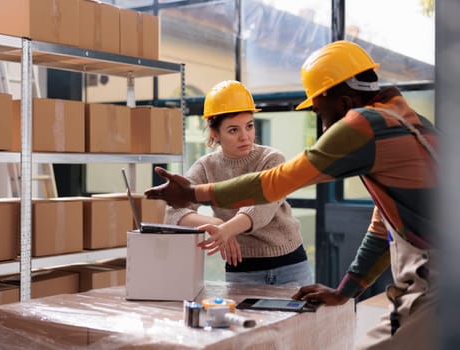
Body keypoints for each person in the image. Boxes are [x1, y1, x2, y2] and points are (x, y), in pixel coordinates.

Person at [145, 40, 438, 349]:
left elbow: (279, 182)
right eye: (233, 129)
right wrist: (344, 292)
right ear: (214, 133)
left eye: (317, 108)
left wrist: (193, 192)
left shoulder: (364, 125)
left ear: (340, 101)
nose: (320, 120)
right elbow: (383, 229)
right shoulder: (412, 124)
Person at [164, 80, 312, 287]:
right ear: (215, 134)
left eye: (249, 126)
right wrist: (219, 226)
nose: (245, 137)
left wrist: (228, 230)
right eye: (233, 130)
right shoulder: (206, 166)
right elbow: (173, 213)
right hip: (241, 268)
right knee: (245, 320)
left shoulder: (272, 159)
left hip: (290, 264)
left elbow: (261, 208)